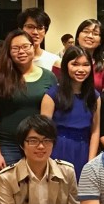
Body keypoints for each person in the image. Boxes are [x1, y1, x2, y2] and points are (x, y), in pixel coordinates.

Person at [0, 29, 57, 169]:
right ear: (8, 51)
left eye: (25, 46)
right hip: (8, 145)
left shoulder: (49, 77)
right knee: (10, 182)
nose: (21, 51)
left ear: (33, 47)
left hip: (38, 144)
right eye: (15, 48)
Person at [41, 45, 100, 178]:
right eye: (75, 64)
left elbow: (95, 131)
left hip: (83, 149)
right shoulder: (52, 95)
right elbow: (43, 132)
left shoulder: (94, 96)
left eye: (86, 65)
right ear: (65, 66)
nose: (81, 69)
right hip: (58, 149)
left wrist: (91, 161)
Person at [67, 19, 104, 93]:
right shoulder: (61, 63)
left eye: (95, 34)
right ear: (78, 37)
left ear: (100, 41)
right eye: (86, 31)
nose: (90, 36)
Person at [18, 7, 60, 72]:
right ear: (21, 29)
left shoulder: (54, 61)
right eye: (30, 27)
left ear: (45, 31)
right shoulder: (13, 59)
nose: (35, 32)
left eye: (40, 28)